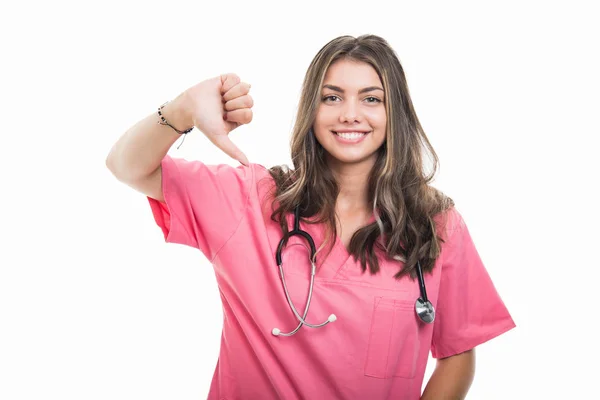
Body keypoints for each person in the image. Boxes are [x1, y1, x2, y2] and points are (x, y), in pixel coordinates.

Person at [106, 34, 516, 400]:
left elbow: (458, 354)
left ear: (396, 114)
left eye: (371, 98)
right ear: (311, 110)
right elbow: (127, 166)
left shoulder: (436, 224)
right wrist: (181, 110)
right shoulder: (250, 199)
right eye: (332, 97)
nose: (350, 114)